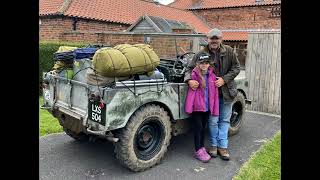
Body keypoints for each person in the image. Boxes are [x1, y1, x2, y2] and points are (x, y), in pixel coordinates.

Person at [184, 28, 240, 161]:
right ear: (207, 39)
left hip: (226, 91)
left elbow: (236, 68)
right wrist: (189, 80)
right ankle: (214, 146)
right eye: (211, 39)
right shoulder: (201, 53)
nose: (214, 41)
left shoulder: (229, 51)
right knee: (213, 121)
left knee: (224, 120)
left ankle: (223, 146)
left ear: (221, 39)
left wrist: (224, 79)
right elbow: (189, 68)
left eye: (217, 38)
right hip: (209, 95)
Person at [185, 52, 219, 163]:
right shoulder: (194, 75)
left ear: (209, 64)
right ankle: (197, 150)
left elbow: (214, 94)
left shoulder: (212, 76)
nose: (204, 65)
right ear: (198, 64)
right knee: (198, 128)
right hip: (197, 108)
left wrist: (214, 107)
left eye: (206, 63)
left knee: (203, 128)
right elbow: (191, 92)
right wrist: (189, 81)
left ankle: (202, 148)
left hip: (207, 108)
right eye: (202, 63)